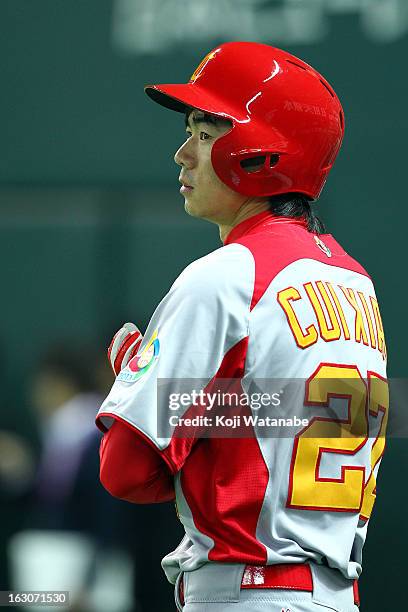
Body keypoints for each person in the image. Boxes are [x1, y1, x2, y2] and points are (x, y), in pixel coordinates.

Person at [96, 42, 388, 612]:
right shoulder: (357, 282)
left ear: (262, 152)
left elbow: (125, 473)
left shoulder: (228, 275)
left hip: (245, 591)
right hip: (336, 597)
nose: (183, 153)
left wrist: (141, 381)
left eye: (206, 134)